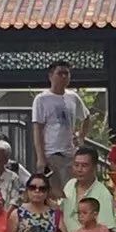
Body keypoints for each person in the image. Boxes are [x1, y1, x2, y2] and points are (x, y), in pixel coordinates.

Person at [32, 61, 89, 198]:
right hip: (51, 153)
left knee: (70, 193)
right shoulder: (41, 99)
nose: (64, 76)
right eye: (60, 73)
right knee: (52, 191)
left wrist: (81, 137)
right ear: (51, 76)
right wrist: (41, 157)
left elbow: (86, 117)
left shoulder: (73, 97)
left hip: (70, 154)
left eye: (66, 73)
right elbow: (37, 129)